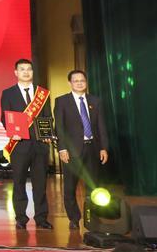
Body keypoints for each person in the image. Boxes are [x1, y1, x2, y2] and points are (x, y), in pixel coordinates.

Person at [0, 58, 53, 230]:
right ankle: (21, 218)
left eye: (29, 69)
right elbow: (5, 117)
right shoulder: (8, 93)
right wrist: (11, 131)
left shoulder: (42, 94)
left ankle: (41, 218)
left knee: (40, 184)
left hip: (40, 145)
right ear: (16, 72)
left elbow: (47, 117)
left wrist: (47, 133)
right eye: (22, 69)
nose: (26, 72)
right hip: (19, 144)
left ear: (32, 72)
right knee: (19, 182)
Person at [54, 69, 109, 230]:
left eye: (82, 80)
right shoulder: (62, 101)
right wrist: (62, 149)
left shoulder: (95, 101)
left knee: (93, 187)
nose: (79, 83)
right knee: (70, 187)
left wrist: (104, 147)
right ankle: (74, 218)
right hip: (71, 152)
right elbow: (59, 127)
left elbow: (101, 126)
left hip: (93, 149)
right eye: (76, 80)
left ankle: (92, 217)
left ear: (86, 82)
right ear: (70, 83)